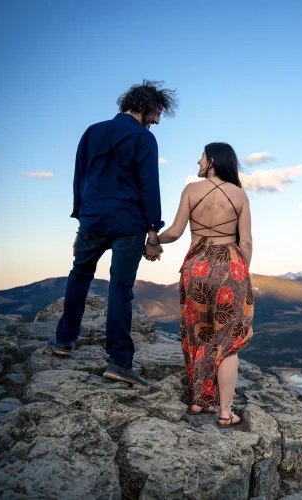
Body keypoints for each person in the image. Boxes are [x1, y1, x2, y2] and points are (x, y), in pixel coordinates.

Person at [46, 80, 178, 386]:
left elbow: (80, 178)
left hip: (92, 219)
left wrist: (81, 220)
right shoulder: (144, 138)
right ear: (146, 107)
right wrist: (153, 233)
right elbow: (149, 186)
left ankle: (63, 341)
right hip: (129, 223)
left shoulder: (92, 131)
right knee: (120, 290)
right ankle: (119, 362)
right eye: (157, 112)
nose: (158, 120)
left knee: (79, 276)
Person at [156, 142, 254, 427]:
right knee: (228, 341)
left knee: (198, 333)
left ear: (211, 161)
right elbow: (245, 241)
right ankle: (225, 412)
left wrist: (152, 240)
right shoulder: (239, 195)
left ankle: (199, 400)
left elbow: (174, 232)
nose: (197, 163)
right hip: (229, 267)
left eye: (200, 158)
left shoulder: (190, 190)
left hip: (196, 266)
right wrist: (242, 272)